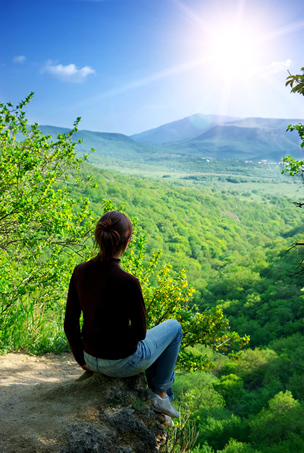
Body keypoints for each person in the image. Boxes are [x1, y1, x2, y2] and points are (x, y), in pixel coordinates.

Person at [64, 210, 182, 424]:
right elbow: (139, 334)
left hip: (90, 358)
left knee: (157, 339)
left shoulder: (80, 271)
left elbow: (70, 322)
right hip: (122, 364)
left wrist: (82, 360)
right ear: (127, 242)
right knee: (174, 328)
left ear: (99, 238)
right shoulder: (128, 282)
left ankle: (162, 397)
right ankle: (161, 395)